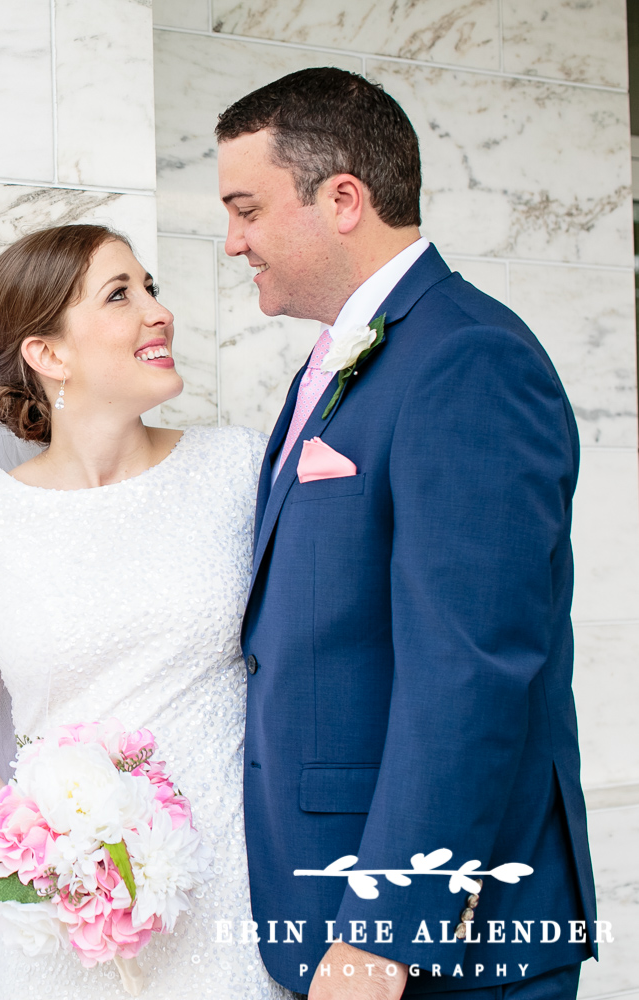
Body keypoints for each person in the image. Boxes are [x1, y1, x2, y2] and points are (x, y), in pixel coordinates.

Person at [0, 224, 290, 999]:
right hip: (69, 933)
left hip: (229, 899)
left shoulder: (241, 469)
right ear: (49, 355)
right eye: (121, 295)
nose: (158, 311)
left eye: (151, 287)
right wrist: (52, 868)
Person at [220, 68, 597, 1000]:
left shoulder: (469, 357)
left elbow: (472, 665)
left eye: (247, 209)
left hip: (445, 946)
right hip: (324, 901)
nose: (233, 243)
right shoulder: (352, 353)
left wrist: (387, 929)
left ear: (342, 198)